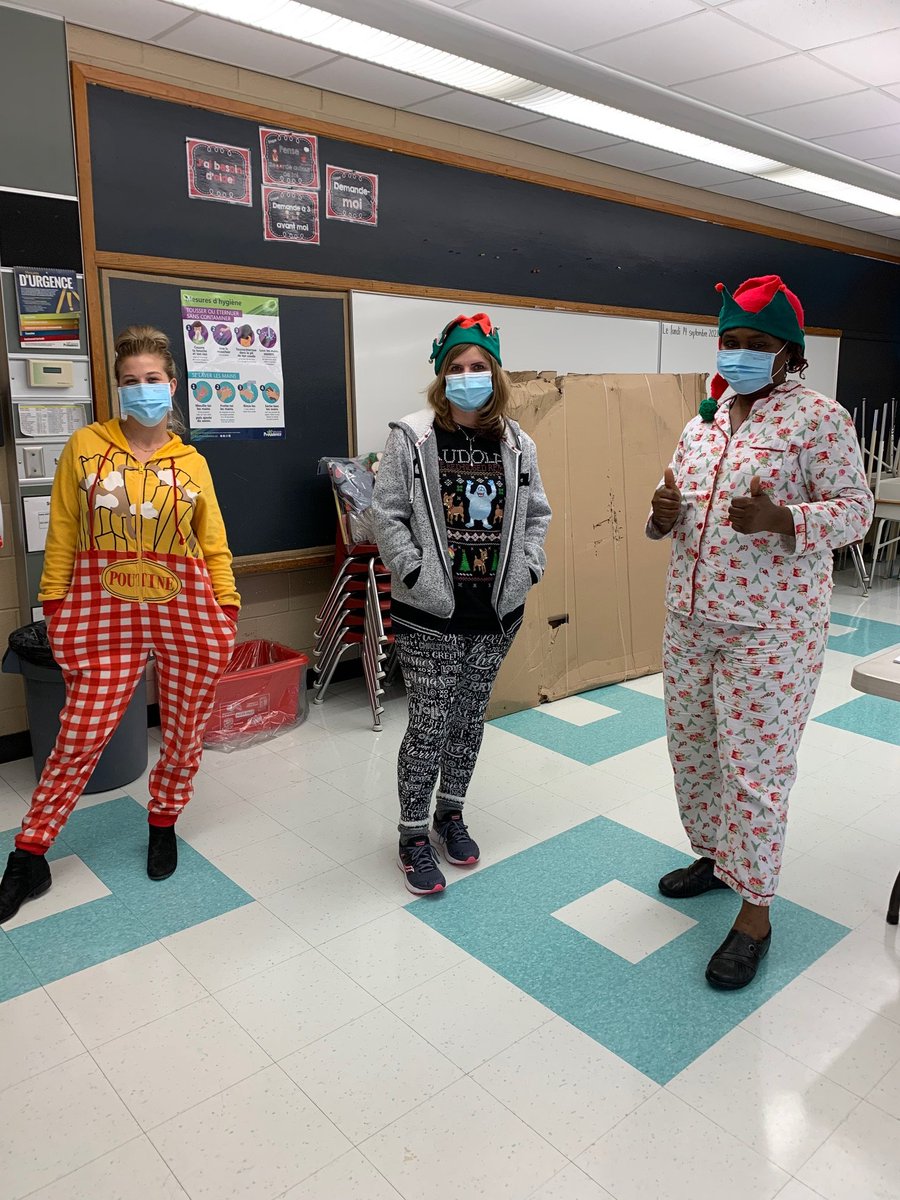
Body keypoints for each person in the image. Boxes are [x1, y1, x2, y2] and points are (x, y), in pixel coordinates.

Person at [648, 275, 873, 989]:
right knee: (695, 751)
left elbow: (857, 511)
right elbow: (677, 515)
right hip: (689, 619)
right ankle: (716, 859)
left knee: (755, 771)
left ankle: (755, 912)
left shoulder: (819, 420)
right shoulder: (704, 421)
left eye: (757, 343)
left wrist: (785, 520)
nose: (740, 354)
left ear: (789, 352)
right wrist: (661, 515)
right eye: (731, 341)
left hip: (770, 631)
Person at [0, 326, 240, 923]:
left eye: (152, 380)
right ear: (117, 388)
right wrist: (54, 603)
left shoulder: (192, 462)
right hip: (102, 610)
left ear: (172, 386)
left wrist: (227, 605)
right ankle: (30, 854)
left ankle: (163, 821)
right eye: (129, 382)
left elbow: (213, 543)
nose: (142, 391)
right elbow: (59, 532)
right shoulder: (85, 446)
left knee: (184, 731)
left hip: (186, 609)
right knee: (79, 735)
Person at [373, 313, 551, 895]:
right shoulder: (411, 437)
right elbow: (387, 513)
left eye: (478, 367)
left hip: (495, 612)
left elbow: (537, 517)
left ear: (494, 374)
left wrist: (528, 568)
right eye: (456, 367)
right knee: (428, 722)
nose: (467, 376)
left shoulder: (518, 443)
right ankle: (412, 834)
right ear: (440, 375)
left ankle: (451, 813)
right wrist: (415, 569)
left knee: (469, 718)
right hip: (429, 613)